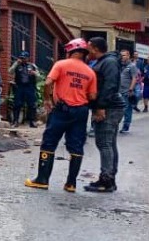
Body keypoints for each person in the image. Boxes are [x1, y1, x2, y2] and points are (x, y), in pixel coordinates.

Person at [25, 38, 97, 193]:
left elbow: (47, 83)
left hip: (61, 110)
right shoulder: (90, 72)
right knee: (77, 146)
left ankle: (42, 180)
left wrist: (47, 100)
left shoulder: (61, 64)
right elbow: (92, 96)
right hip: (81, 111)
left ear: (70, 51)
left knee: (49, 143)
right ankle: (71, 184)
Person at [85, 37, 126, 193]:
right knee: (108, 143)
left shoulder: (108, 62)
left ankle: (107, 180)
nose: (88, 51)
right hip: (109, 106)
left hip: (110, 108)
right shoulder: (105, 61)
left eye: (89, 48)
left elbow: (110, 85)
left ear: (95, 48)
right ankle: (109, 177)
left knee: (104, 143)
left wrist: (101, 107)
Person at [8, 51, 39, 128]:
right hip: (20, 87)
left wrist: (34, 73)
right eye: (21, 57)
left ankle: (32, 121)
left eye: (24, 58)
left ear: (28, 58)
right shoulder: (17, 65)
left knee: (32, 105)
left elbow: (39, 77)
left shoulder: (32, 66)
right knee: (17, 104)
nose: (23, 59)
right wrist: (16, 63)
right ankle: (15, 121)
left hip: (30, 87)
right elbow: (10, 71)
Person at [119, 50, 139, 134]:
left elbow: (134, 78)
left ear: (128, 56)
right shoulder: (120, 66)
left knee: (127, 109)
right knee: (119, 109)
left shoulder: (132, 66)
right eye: (121, 55)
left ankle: (126, 126)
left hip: (127, 91)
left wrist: (131, 89)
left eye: (124, 55)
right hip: (119, 90)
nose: (122, 57)